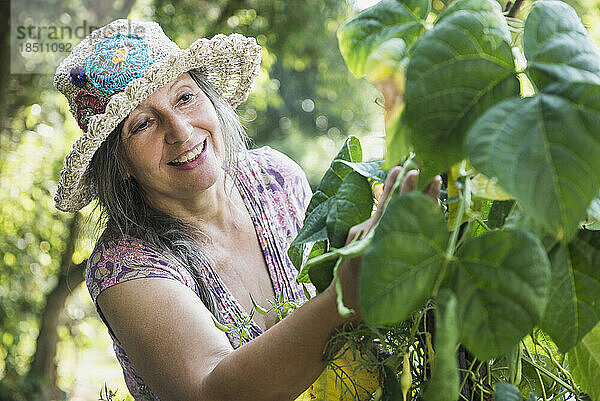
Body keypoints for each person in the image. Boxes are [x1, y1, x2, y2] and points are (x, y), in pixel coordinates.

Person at [54, 19, 440, 401]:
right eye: (142, 124)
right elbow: (209, 391)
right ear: (118, 163)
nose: (181, 131)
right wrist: (348, 293)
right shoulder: (122, 263)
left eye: (184, 97)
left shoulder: (275, 177)